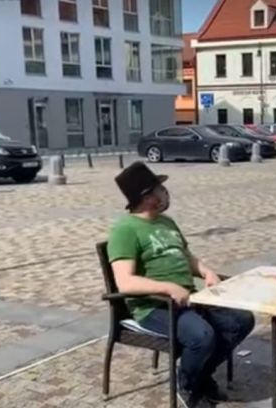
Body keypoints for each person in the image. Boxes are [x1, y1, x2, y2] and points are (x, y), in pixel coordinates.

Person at [108, 162, 255, 408]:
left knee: (240, 320)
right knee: (202, 336)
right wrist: (168, 288)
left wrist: (206, 271)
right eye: (159, 189)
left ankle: (201, 375)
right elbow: (125, 282)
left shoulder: (166, 222)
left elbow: (186, 257)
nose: (165, 193)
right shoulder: (125, 230)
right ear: (147, 197)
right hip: (153, 306)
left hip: (188, 299)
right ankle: (187, 385)